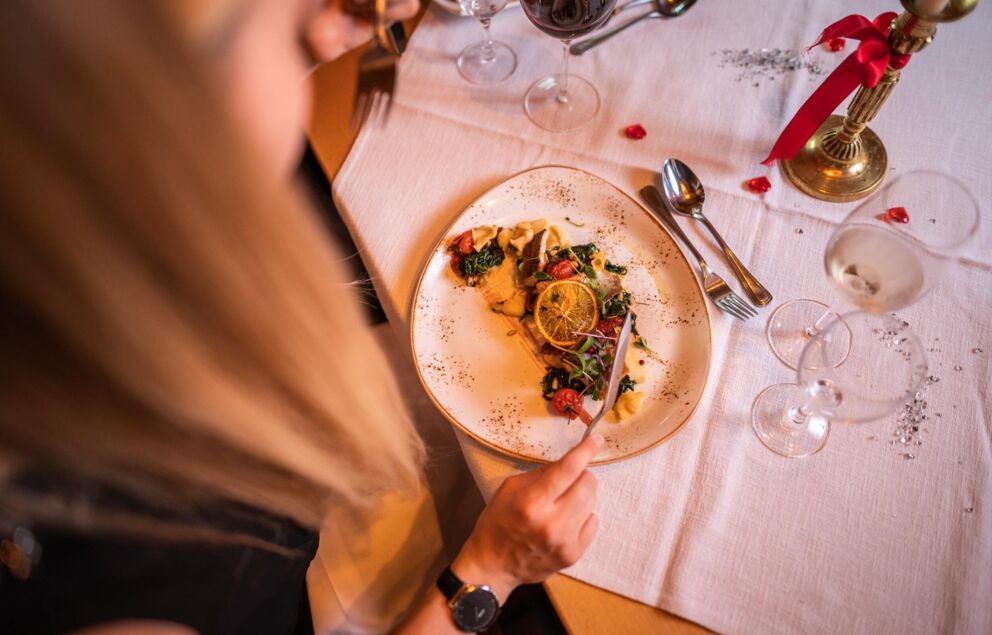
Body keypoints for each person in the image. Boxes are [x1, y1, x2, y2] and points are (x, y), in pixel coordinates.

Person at [0, 1, 601, 633]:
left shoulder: (75, 245)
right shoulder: (127, 592)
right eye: (270, 27)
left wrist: (304, 37)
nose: (315, 32)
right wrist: (491, 569)